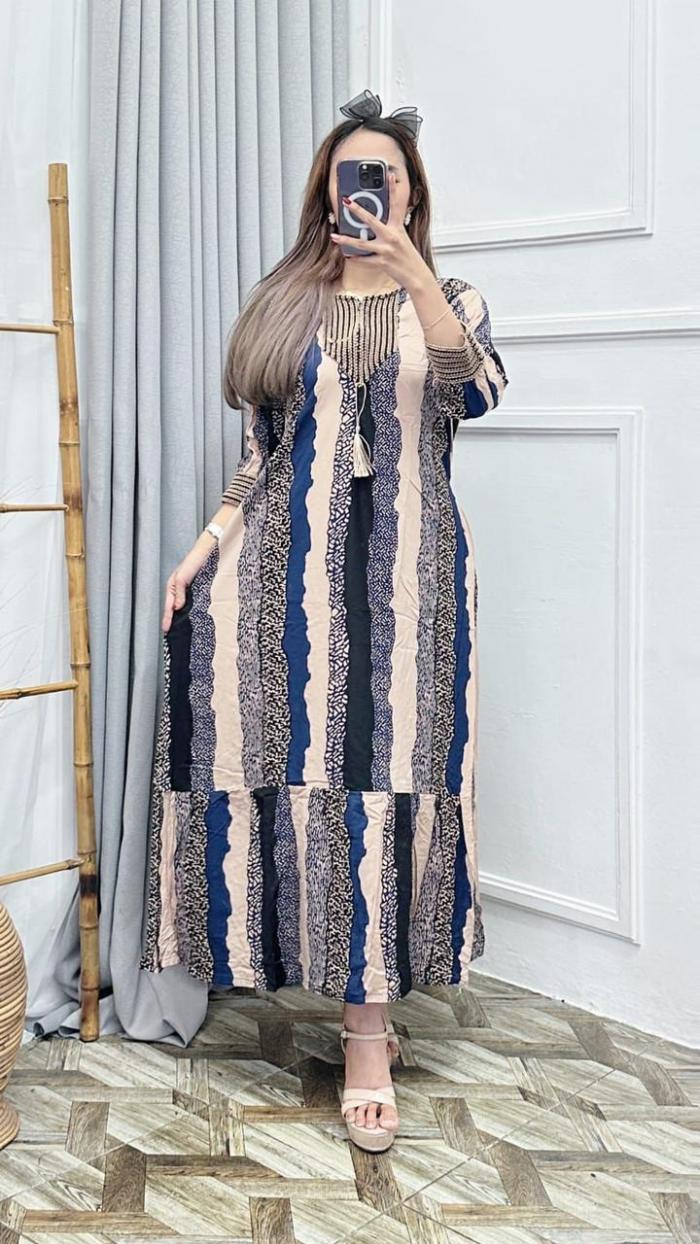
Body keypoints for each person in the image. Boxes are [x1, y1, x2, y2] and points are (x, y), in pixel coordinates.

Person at [140, 88, 509, 1153]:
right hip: (279, 579)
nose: (369, 190)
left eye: (385, 176)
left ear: (411, 194)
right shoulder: (286, 301)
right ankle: (309, 978)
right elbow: (259, 458)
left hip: (412, 582)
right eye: (353, 175)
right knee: (285, 767)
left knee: (392, 778)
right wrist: (202, 548)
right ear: (326, 191)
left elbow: (477, 394)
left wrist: (411, 274)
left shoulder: (452, 298)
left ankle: (367, 1033)